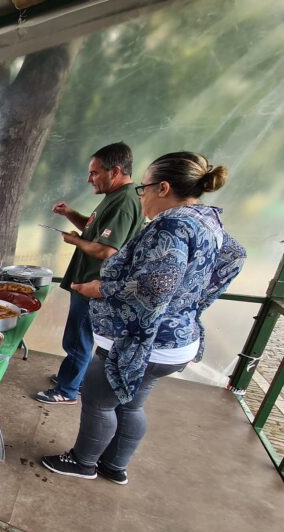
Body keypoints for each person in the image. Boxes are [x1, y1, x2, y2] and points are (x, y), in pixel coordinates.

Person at [41, 152, 246, 484]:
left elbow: (153, 286)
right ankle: (114, 466)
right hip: (177, 341)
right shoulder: (207, 219)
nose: (142, 196)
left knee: (98, 400)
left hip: (141, 341)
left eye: (145, 188)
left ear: (163, 188)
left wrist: (102, 289)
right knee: (129, 405)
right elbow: (235, 256)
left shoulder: (172, 223)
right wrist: (194, 303)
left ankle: (83, 462)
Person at [35, 142, 143, 405]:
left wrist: (75, 242)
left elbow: (107, 250)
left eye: (94, 173)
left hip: (95, 284)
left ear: (115, 171)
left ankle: (67, 390)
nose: (89, 179)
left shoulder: (125, 202)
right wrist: (70, 214)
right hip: (87, 279)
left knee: (78, 338)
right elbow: (94, 230)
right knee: (78, 336)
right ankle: (73, 378)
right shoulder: (114, 198)